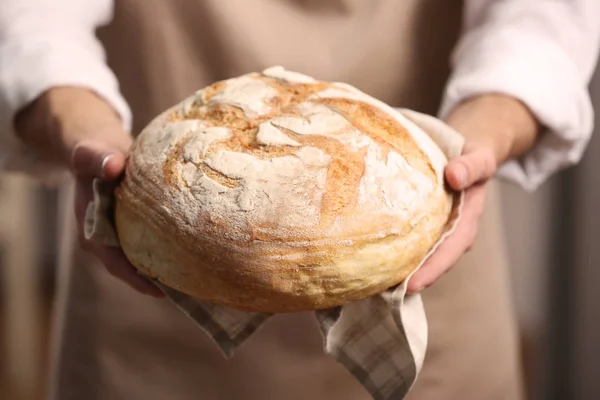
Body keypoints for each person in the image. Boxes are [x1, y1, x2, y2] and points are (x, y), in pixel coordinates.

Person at [1, 1, 599, 399]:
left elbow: (543, 14)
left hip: (424, 262)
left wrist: (482, 138)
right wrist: (76, 120)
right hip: (155, 281)